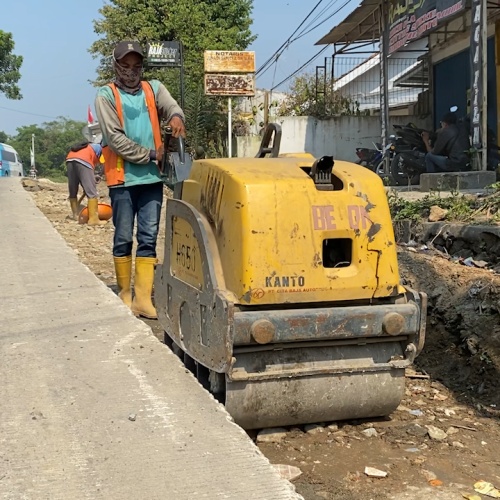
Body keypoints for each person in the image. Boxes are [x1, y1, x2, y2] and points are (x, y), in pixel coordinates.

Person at [95, 40, 185, 319]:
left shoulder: (153, 88)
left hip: (151, 179)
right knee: (123, 238)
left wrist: (177, 117)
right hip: (122, 178)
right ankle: (124, 293)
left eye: (136, 66)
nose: (131, 71)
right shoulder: (105, 95)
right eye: (125, 65)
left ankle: (143, 299)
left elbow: (172, 107)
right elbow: (115, 139)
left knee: (148, 238)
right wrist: (149, 154)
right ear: (115, 65)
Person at [66, 142, 106, 225]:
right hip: (83, 159)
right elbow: (102, 163)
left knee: (73, 189)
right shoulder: (103, 149)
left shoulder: (90, 146)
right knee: (92, 192)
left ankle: (75, 214)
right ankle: (93, 219)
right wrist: (89, 184)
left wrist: (89, 182)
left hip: (70, 158)